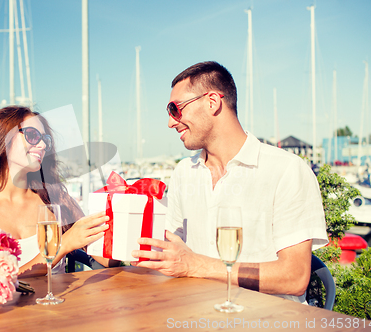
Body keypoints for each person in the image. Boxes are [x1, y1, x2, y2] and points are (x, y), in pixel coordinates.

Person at [131, 61, 328, 303]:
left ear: (212, 102)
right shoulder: (184, 172)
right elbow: (168, 248)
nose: (171, 122)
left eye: (175, 109)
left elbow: (294, 277)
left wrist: (196, 266)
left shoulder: (286, 170)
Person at [0, 106, 115, 277]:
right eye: (32, 135)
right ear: (1, 137)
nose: (43, 145)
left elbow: (105, 258)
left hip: (63, 302)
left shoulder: (57, 200)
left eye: (45, 139)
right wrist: (62, 246)